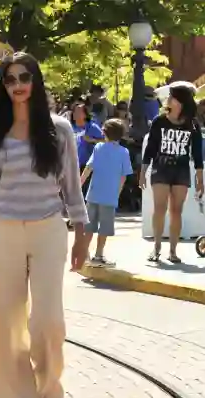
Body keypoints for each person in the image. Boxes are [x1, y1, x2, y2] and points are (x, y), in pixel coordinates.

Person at [0, 52, 88, 398]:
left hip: (49, 228)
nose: (17, 84)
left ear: (36, 81)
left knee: (48, 320)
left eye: (24, 77)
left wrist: (83, 235)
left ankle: (50, 396)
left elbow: (72, 187)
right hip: (3, 229)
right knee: (6, 320)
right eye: (10, 79)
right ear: (3, 87)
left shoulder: (60, 130)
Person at [140, 83, 204, 263]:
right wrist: (143, 171)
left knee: (177, 210)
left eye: (172, 97)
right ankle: (157, 247)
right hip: (160, 167)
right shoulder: (159, 121)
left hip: (181, 170)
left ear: (180, 101)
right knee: (159, 208)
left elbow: (197, 153)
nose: (168, 99)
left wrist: (200, 178)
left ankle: (173, 251)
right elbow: (150, 148)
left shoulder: (192, 125)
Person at [80, 119, 133, 266]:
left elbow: (88, 168)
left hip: (93, 194)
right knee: (104, 227)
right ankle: (98, 255)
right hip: (110, 196)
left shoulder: (98, 147)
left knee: (89, 226)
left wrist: (79, 184)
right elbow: (123, 176)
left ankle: (84, 255)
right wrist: (117, 193)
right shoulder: (124, 152)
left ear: (104, 133)